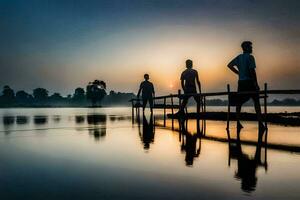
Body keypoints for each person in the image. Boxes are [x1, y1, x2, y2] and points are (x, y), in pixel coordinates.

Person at [227, 41, 265, 131]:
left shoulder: (239, 57)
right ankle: (260, 123)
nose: (252, 49)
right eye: (250, 47)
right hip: (249, 82)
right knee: (256, 102)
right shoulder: (250, 57)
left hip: (241, 82)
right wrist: (256, 84)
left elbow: (229, 65)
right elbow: (252, 71)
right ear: (246, 48)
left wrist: (238, 73)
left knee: (239, 103)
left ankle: (238, 122)